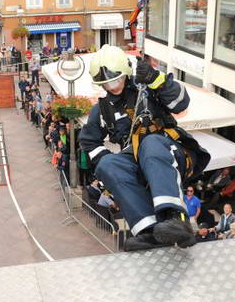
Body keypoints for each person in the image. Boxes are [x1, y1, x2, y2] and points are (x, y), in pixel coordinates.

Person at [78, 45, 210, 251]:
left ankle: (176, 218)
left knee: (150, 143)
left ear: (126, 73)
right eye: (106, 84)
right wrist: (113, 161)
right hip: (138, 160)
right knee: (108, 165)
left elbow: (181, 104)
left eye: (116, 80)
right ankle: (148, 230)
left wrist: (156, 79)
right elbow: (88, 142)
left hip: (171, 151)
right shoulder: (103, 110)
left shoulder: (147, 88)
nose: (112, 87)